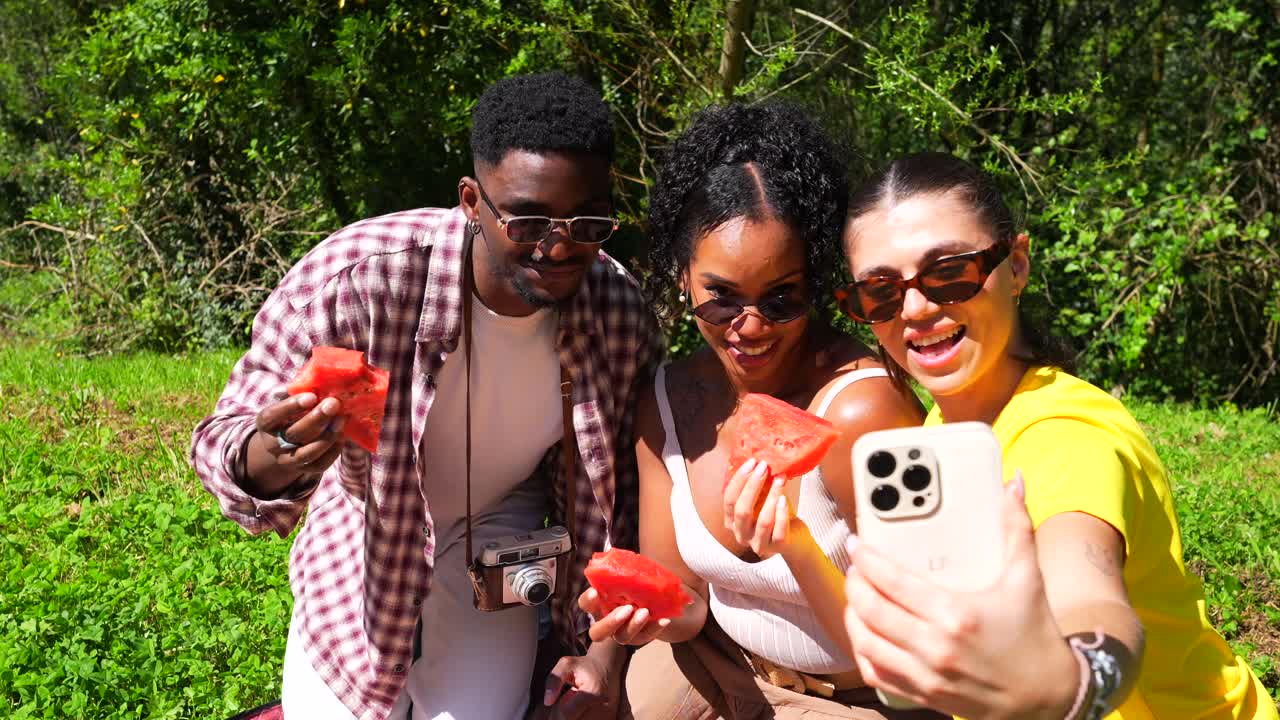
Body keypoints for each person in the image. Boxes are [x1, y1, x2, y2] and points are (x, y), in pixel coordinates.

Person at [189, 71, 661, 720]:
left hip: (501, 519)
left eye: (587, 222)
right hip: (369, 512)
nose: (558, 247)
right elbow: (223, 440)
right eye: (526, 220)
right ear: (472, 200)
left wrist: (602, 648)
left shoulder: (617, 310)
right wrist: (274, 452)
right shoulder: (356, 282)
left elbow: (625, 498)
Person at [838, 152, 1279, 719]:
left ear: (1016, 266)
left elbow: (1089, 594)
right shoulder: (944, 432)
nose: (916, 308)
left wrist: (1071, 682)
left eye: (949, 272)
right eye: (880, 292)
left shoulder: (1067, 435)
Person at [580, 102, 936, 720]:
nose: (750, 327)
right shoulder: (662, 404)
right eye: (720, 298)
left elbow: (925, 631)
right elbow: (687, 600)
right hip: (725, 667)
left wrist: (797, 545)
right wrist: (651, 616)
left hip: (865, 700)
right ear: (684, 278)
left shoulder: (868, 412)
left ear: (814, 283)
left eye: (781, 298)